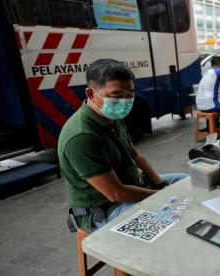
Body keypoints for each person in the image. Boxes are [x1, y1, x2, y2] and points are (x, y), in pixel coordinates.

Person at [58, 59, 187, 232]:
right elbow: (116, 193)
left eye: (130, 95)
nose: (125, 102)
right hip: (105, 210)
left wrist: (159, 183)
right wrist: (163, 197)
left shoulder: (113, 117)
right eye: (116, 96)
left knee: (187, 182)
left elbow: (135, 155)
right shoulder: (82, 136)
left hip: (133, 188)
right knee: (172, 221)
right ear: (90, 93)